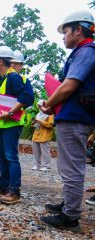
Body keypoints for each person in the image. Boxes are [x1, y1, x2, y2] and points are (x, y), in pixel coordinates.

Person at [39, 10, 95, 231]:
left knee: (72, 167)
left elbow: (69, 86)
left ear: (78, 30)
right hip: (73, 117)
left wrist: (48, 104)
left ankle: (70, 216)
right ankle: (68, 205)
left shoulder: (87, 51)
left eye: (65, 31)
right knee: (68, 166)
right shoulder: (81, 52)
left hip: (76, 118)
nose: (63, 36)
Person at [0, 46, 34, 204]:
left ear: (0, 61)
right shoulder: (1, 79)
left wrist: (11, 112)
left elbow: (27, 97)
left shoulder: (13, 78)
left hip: (12, 124)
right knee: (1, 156)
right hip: (1, 124)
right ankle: (3, 186)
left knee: (11, 157)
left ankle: (14, 190)